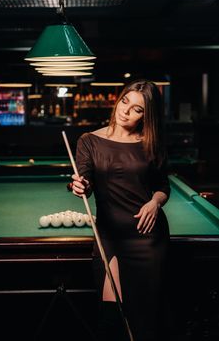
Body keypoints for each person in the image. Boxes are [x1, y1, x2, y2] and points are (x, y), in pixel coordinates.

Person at [70, 79, 171, 341]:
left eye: (137, 109)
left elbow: (162, 186)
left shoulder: (150, 142)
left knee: (145, 321)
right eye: (125, 101)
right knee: (111, 318)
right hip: (110, 236)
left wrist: (154, 202)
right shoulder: (89, 140)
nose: (126, 110)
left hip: (148, 239)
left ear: (146, 116)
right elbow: (85, 180)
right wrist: (79, 185)